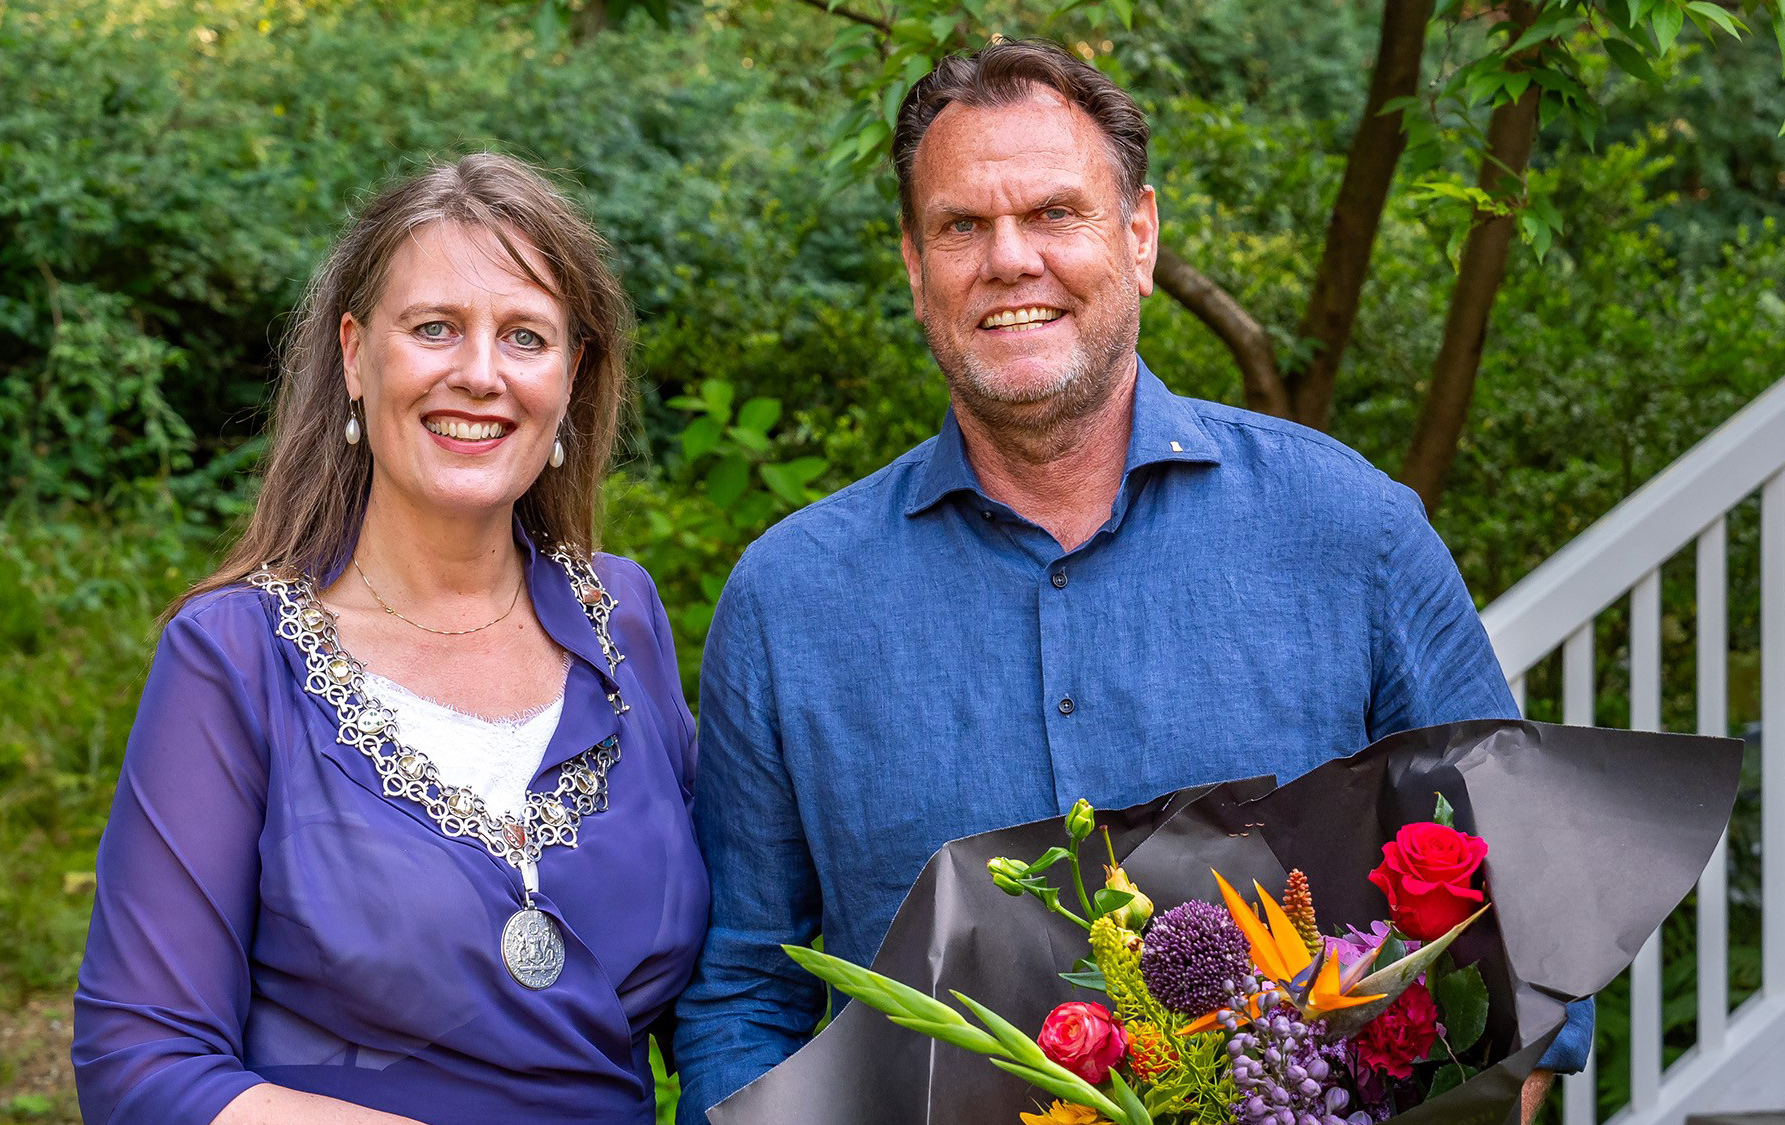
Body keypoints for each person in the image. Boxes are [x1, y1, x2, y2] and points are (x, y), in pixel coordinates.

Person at [671, 40, 1588, 1123]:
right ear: (915, 266)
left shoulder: (1351, 536)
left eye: (1055, 212)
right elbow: (742, 991)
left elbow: (1520, 910)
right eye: (962, 225)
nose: (1009, 258)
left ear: (1139, 236)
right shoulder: (789, 602)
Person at [73, 154, 707, 1125]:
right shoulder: (235, 658)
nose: (480, 374)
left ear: (570, 377)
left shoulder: (620, 620)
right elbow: (141, 1061)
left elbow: (719, 993)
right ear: (353, 354)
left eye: (525, 336)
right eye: (435, 328)